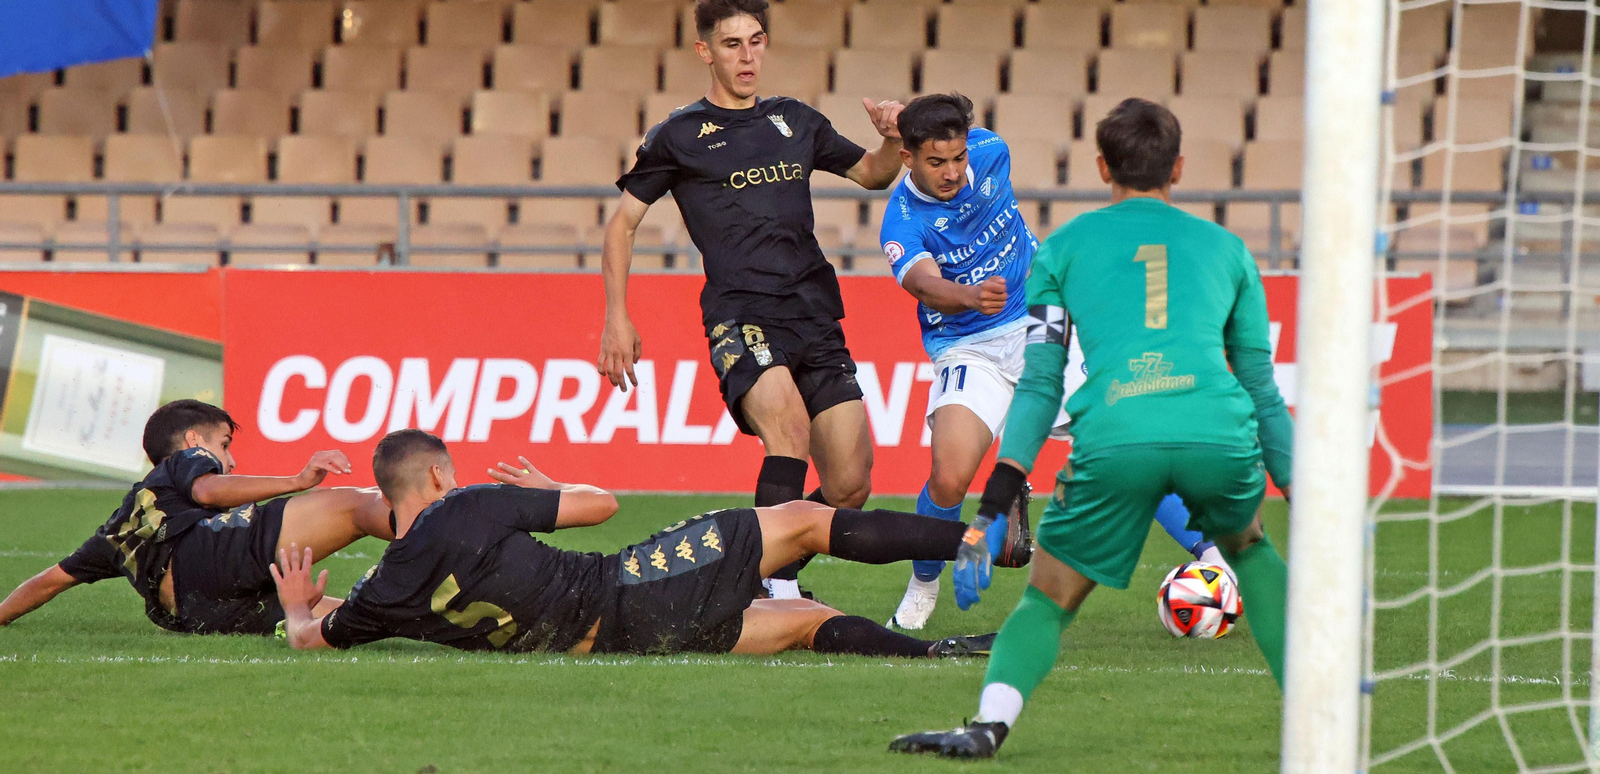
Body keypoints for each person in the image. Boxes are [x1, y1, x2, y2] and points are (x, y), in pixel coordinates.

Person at [890, 99, 1295, 758]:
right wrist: (1305, 493)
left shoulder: (1061, 249)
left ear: (1103, 165)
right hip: (1216, 432)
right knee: (1252, 551)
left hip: (1116, 433)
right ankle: (1318, 722)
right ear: (1180, 167)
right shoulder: (1230, 250)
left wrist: (1000, 498)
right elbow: (1263, 392)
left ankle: (988, 726)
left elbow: (1042, 382)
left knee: (1048, 599)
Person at [877, 93, 1231, 631]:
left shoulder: (991, 150)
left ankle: (1214, 558)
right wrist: (966, 296)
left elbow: (951, 126)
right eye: (935, 162)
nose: (951, 172)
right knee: (949, 477)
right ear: (907, 159)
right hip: (967, 342)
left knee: (1121, 442)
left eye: (957, 158)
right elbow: (922, 282)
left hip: (1040, 315)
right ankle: (923, 583)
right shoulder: (901, 221)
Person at [597, 0, 906, 599]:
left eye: (755, 43)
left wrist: (892, 138)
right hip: (742, 315)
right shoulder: (679, 135)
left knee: (850, 486)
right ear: (704, 50)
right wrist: (616, 318)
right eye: (732, 44)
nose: (746, 57)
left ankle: (751, 564)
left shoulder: (796, 121)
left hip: (815, 313)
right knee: (786, 432)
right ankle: (777, 593)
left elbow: (873, 174)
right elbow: (622, 223)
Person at [271, 430, 1008, 659]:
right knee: (806, 518)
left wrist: (301, 609)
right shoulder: (468, 504)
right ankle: (980, 537)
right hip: (631, 585)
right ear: (438, 474)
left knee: (805, 624)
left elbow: (313, 637)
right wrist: (549, 483)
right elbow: (603, 506)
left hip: (619, 641)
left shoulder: (384, 594)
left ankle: (934, 657)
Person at [0, 400, 393, 635]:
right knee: (358, 504)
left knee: (361, 616)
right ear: (193, 440)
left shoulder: (118, 530)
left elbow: (48, 582)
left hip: (194, 614)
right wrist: (297, 480)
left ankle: (436, 615)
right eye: (224, 445)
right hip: (205, 562)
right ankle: (439, 525)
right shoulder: (186, 459)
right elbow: (206, 490)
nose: (232, 460)